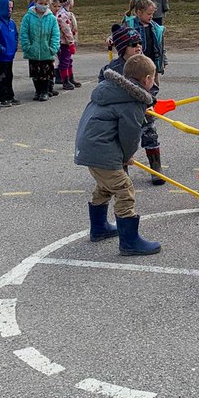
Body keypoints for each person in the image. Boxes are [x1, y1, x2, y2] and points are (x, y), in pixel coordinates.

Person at [74, 52, 161, 256]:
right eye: (154, 79)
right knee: (123, 187)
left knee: (105, 186)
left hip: (90, 147)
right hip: (101, 149)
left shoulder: (110, 89)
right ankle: (129, 242)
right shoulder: (132, 100)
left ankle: (99, 228)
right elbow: (130, 135)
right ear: (147, 79)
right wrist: (126, 157)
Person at [123, 0, 167, 183]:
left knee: (149, 130)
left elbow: (160, 47)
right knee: (123, 137)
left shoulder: (155, 28)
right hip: (125, 111)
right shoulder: (116, 69)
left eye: (139, 44)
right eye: (133, 45)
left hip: (148, 75)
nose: (138, 47)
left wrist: (150, 101)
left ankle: (155, 166)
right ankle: (121, 171)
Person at [21, 0, 61, 101]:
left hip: (47, 51)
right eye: (40, 3)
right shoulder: (28, 17)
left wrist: (53, 48)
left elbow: (55, 34)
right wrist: (27, 47)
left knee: (46, 73)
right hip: (33, 50)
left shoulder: (51, 18)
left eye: (45, 4)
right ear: (35, 2)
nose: (42, 6)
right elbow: (24, 33)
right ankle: (38, 91)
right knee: (35, 73)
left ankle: (45, 91)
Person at [0, 0, 19, 106]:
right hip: (1, 56)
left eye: (12, 7)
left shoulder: (12, 23)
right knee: (2, 76)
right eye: (8, 7)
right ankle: (1, 97)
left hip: (10, 54)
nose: (10, 10)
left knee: (9, 76)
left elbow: (15, 36)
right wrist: (1, 49)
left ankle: (10, 96)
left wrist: (14, 47)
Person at [56, 0, 81, 89]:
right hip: (63, 43)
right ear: (70, 1)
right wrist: (71, 43)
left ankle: (70, 78)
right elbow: (67, 31)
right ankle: (65, 81)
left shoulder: (66, 13)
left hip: (66, 42)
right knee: (64, 61)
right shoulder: (63, 15)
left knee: (68, 60)